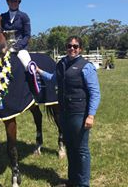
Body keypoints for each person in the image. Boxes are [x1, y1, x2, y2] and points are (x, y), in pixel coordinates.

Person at [37, 36, 101, 187]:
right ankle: (72, 181)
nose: (72, 48)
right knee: (70, 147)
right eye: (69, 46)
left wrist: (90, 115)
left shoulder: (86, 67)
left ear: (80, 49)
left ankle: (83, 184)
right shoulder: (62, 64)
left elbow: (95, 92)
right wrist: (39, 71)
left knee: (81, 150)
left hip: (79, 113)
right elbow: (54, 79)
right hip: (64, 112)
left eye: (75, 46)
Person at [1, 0, 40, 94]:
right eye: (11, 1)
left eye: (16, 1)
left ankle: (34, 88)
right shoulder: (2, 17)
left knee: (28, 65)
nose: (13, 3)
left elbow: (27, 35)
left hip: (20, 49)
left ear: (19, 2)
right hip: (5, 48)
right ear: (7, 2)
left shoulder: (24, 16)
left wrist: (18, 46)